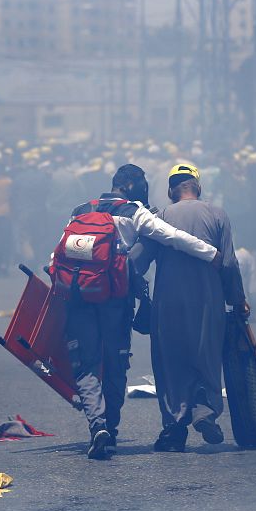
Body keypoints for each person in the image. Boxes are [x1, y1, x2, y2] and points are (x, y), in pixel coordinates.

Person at [56, 164, 220, 460]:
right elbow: (173, 236)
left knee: (87, 365)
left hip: (78, 298)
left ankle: (98, 426)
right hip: (114, 302)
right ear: (131, 186)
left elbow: (57, 256)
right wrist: (210, 253)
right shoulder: (133, 212)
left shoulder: (80, 211)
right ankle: (112, 429)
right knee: (116, 364)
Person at [135, 164, 246, 453]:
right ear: (198, 187)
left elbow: (138, 261)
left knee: (170, 361)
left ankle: (174, 427)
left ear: (171, 191)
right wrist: (237, 299)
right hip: (209, 301)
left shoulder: (160, 217)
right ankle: (204, 412)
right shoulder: (217, 214)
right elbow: (229, 263)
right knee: (206, 357)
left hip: (168, 302)